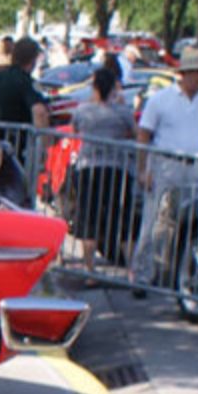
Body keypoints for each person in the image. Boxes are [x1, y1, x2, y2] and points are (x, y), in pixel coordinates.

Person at [132, 47, 198, 287]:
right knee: (154, 221)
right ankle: (141, 273)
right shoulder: (161, 99)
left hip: (195, 166)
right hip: (166, 165)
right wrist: (143, 169)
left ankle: (170, 273)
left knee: (185, 222)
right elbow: (144, 134)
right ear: (187, 73)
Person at [68, 65, 138, 274]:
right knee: (122, 219)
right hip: (117, 168)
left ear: (95, 87)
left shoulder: (82, 110)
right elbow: (135, 133)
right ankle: (133, 272)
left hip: (89, 167)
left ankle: (90, 270)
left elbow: (75, 130)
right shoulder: (122, 111)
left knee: (89, 218)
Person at [0, 37, 50, 128]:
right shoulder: (28, 82)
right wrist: (45, 140)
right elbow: (39, 111)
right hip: (18, 140)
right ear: (33, 60)